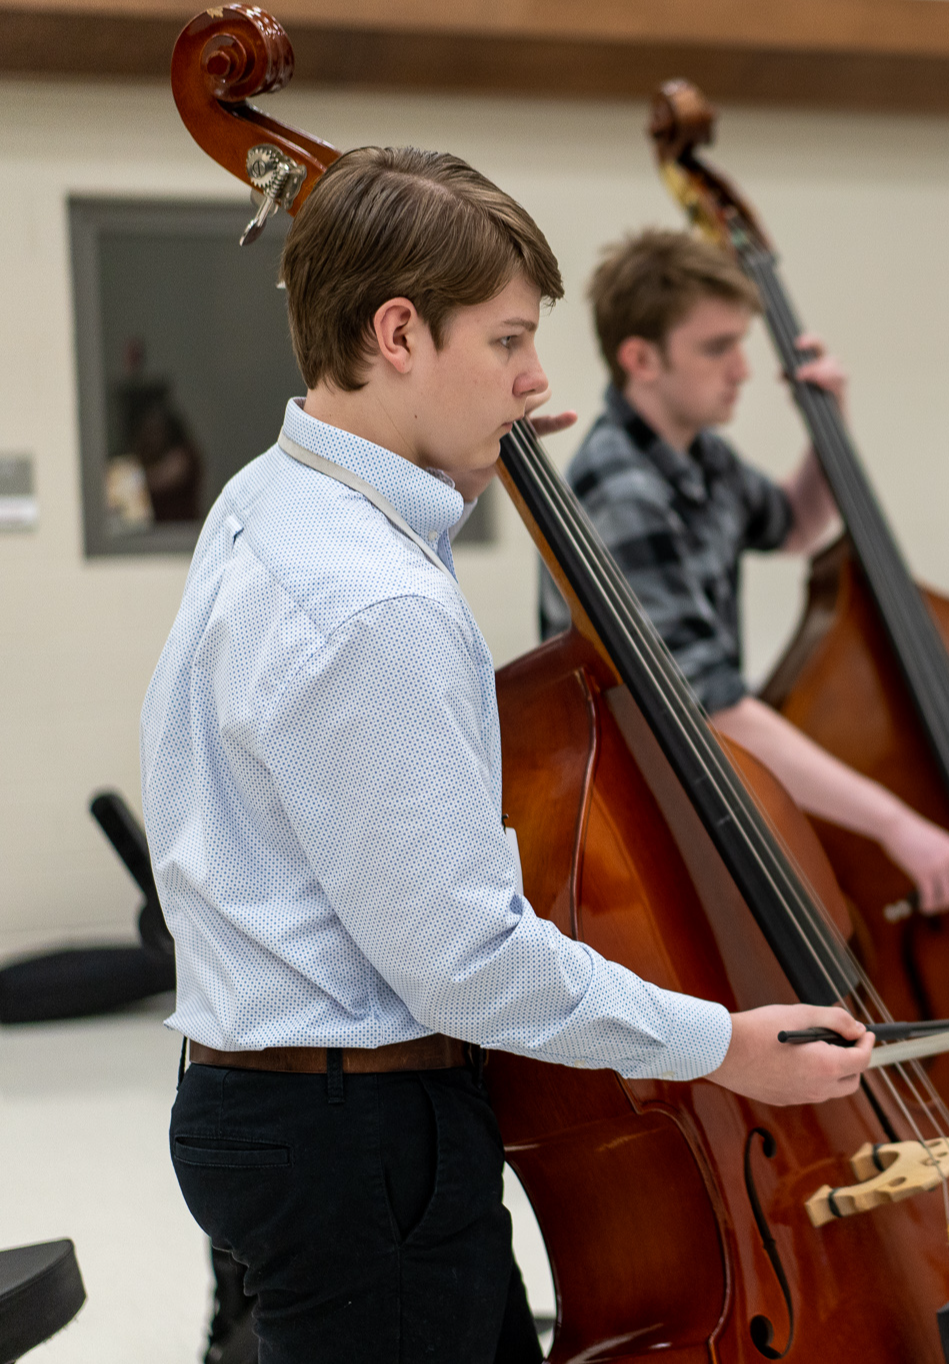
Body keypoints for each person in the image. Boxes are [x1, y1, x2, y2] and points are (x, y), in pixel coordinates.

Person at [140, 147, 872, 1364]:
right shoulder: (380, 605)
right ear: (397, 334)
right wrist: (723, 1046)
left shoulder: (270, 495)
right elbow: (467, 962)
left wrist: (478, 445)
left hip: (273, 1107)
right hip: (356, 1132)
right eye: (508, 342)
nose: (535, 382)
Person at [540, 230, 949, 914]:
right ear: (641, 358)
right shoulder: (624, 490)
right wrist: (897, 826)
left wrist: (827, 427)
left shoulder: (702, 458)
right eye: (717, 347)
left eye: (741, 343)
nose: (743, 369)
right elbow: (711, 706)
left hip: (700, 783)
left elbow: (792, 524)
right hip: (641, 811)